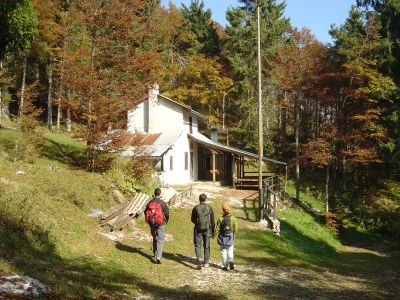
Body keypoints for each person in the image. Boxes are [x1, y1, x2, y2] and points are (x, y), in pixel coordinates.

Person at [144, 188, 169, 264]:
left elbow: (145, 212)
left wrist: (149, 221)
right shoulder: (162, 203)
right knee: (160, 239)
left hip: (152, 223)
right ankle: (158, 256)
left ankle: (155, 254)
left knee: (155, 237)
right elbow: (167, 213)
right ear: (160, 194)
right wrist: (166, 220)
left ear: (154, 193)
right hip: (161, 223)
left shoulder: (150, 203)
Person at [191, 193, 215, 270]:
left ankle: (199, 260)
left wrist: (197, 224)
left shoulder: (195, 208)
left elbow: (192, 219)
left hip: (198, 229)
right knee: (207, 245)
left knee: (197, 245)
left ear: (199, 199)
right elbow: (212, 221)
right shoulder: (209, 208)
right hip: (207, 229)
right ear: (206, 199)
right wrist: (212, 230)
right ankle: (207, 262)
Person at [213, 203, 238, 271]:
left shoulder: (220, 218)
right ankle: (231, 262)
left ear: (222, 210)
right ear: (229, 209)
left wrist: (213, 235)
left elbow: (217, 229)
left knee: (223, 251)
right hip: (230, 237)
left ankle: (225, 266)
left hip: (222, 237)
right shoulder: (233, 218)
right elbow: (236, 228)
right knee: (230, 250)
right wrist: (233, 234)